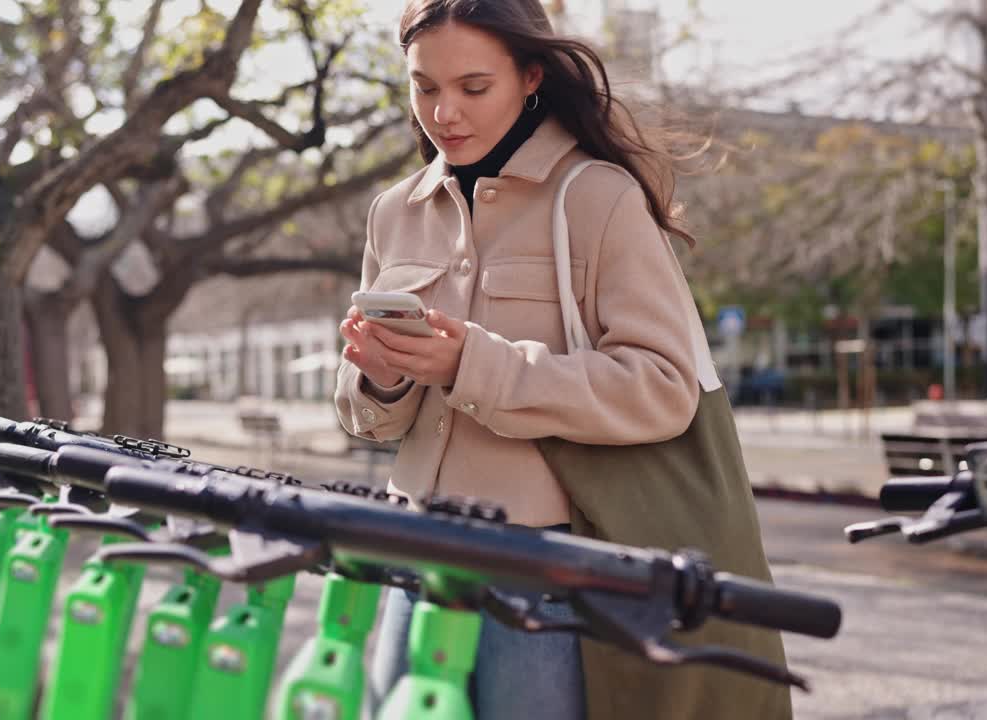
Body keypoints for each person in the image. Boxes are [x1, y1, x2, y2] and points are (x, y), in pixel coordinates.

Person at [333, 1, 791, 719]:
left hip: (543, 567)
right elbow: (372, 423)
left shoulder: (598, 198)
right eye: (424, 88)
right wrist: (381, 376)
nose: (444, 112)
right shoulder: (395, 211)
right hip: (414, 552)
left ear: (532, 75)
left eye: (473, 87)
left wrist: (471, 365)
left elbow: (663, 387)